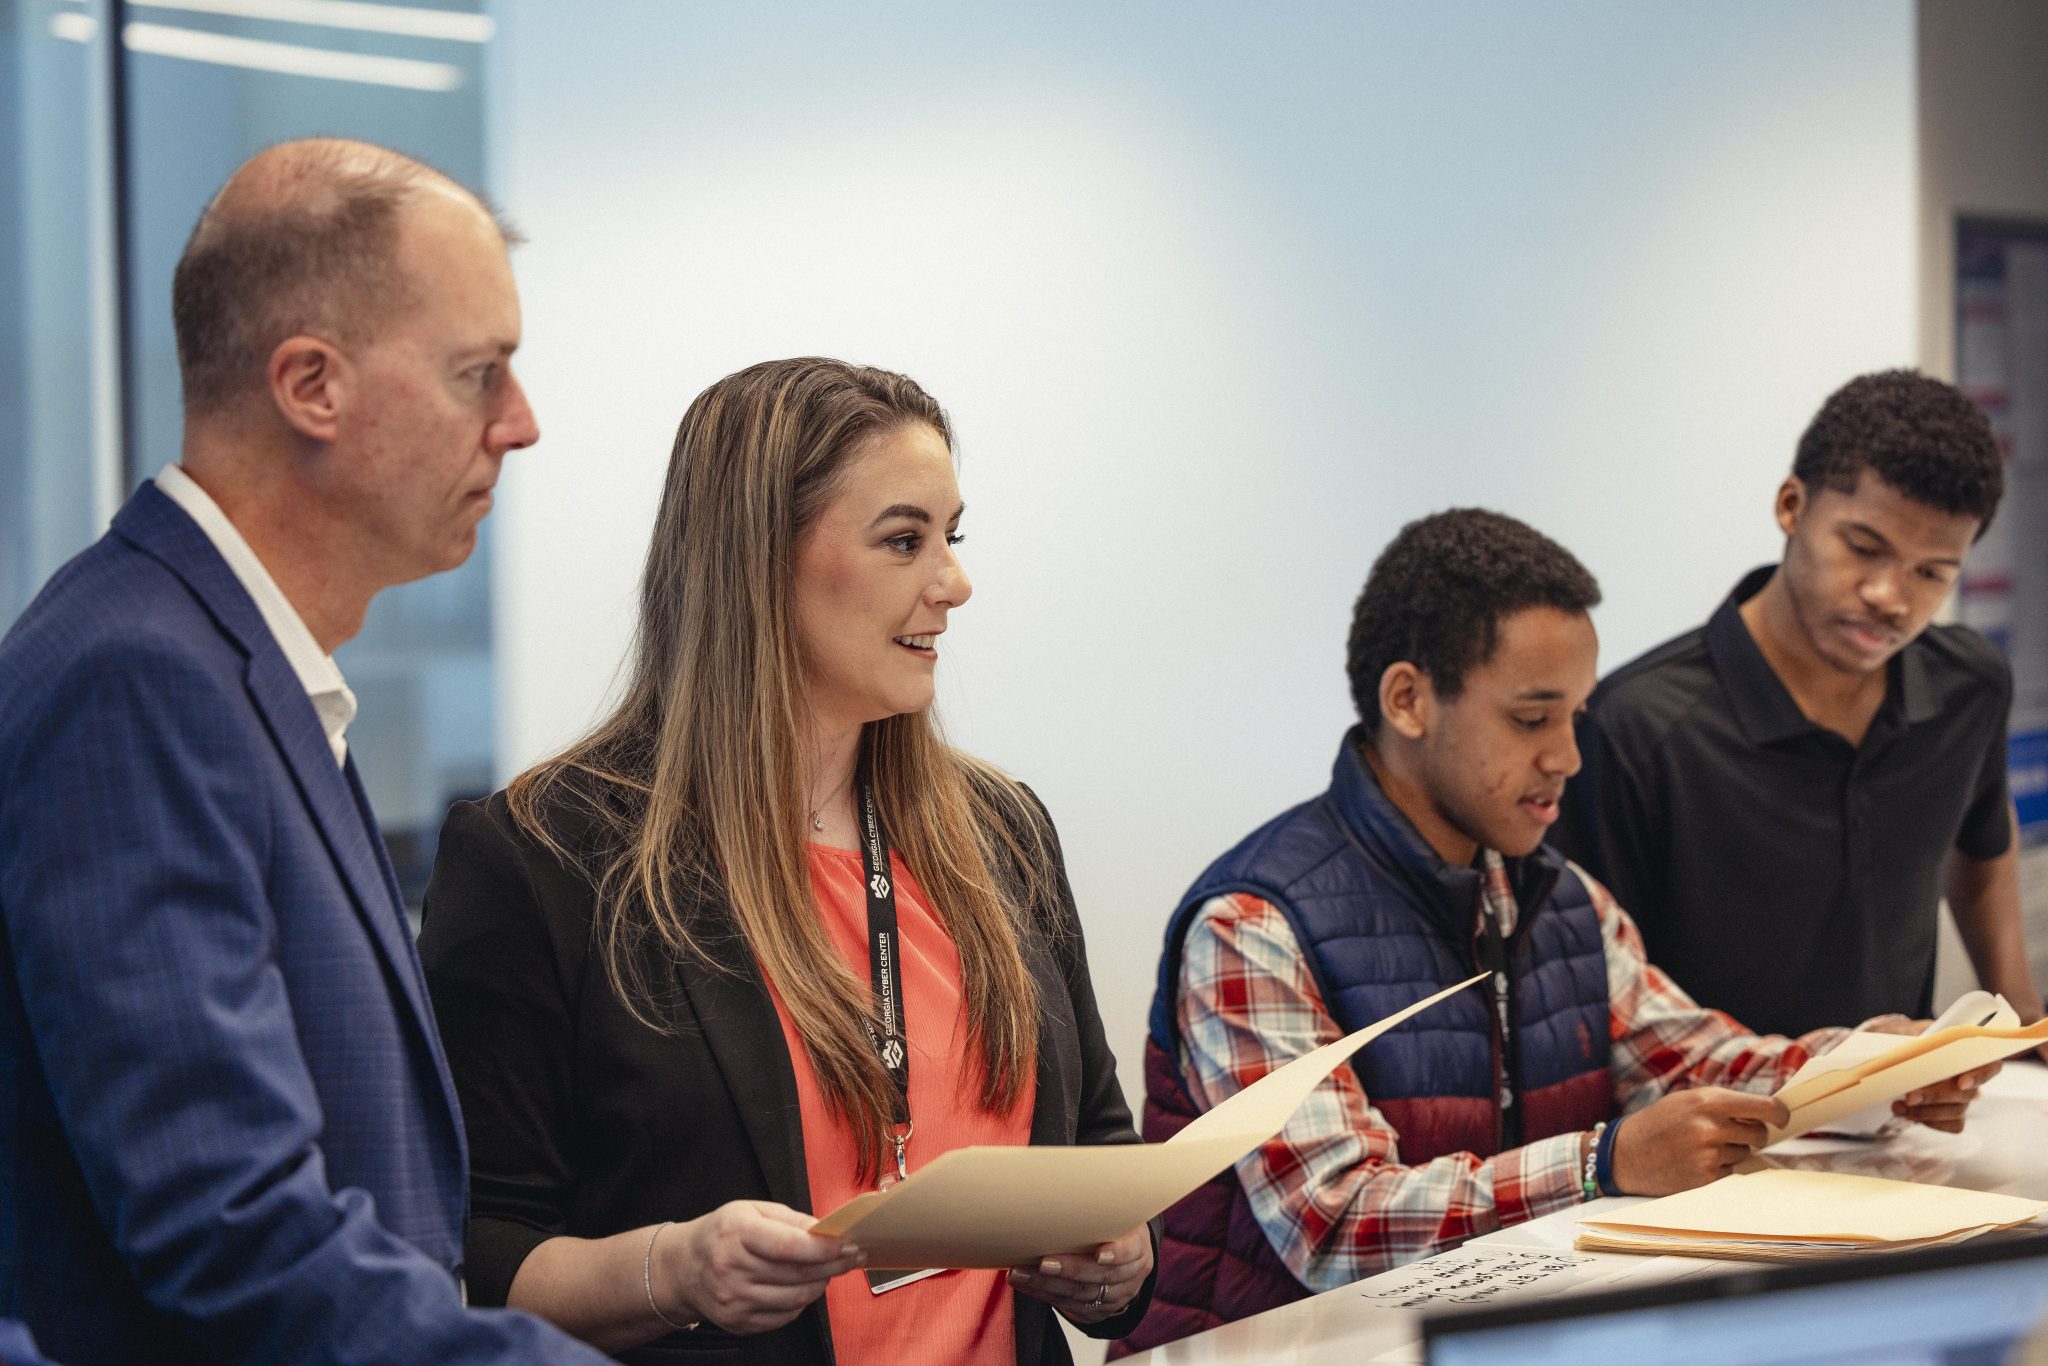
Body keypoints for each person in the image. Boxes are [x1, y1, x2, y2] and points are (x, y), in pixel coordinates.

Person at [417, 357, 1157, 1365]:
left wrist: (1120, 1261)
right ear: (756, 560)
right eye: (904, 540)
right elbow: (480, 1256)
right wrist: (672, 1270)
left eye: (952, 537)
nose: (954, 582)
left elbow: (1098, 1153)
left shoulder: (1002, 832)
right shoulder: (546, 859)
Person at [1117, 509, 1995, 1354]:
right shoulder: (1254, 923)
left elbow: (1695, 1059)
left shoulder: (1555, 892)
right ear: (1409, 700)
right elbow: (1337, 1223)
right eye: (1533, 719)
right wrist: (1603, 1163)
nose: (1569, 756)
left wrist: (1874, 1068)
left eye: (1577, 715)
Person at [0, 140, 606, 1364]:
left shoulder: (236, 668)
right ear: (310, 385)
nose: (521, 424)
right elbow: (230, 1226)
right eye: (477, 372)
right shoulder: (140, 678)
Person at [1553, 371, 2039, 1039]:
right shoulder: (1637, 727)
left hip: (1904, 1127)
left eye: (1932, 573)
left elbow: (1983, 846)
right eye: (1864, 548)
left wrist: (2018, 1017)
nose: (1890, 597)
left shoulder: (1969, 687)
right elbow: (1589, 990)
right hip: (1711, 1126)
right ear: (1791, 505)